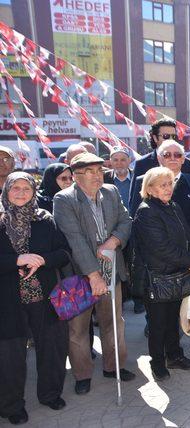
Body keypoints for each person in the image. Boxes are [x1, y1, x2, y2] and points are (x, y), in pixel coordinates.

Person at [53, 153, 135, 395]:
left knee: (114, 323)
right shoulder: (64, 199)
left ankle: (114, 367)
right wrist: (93, 275)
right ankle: (82, 374)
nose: (98, 175)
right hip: (80, 275)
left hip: (112, 268)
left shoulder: (111, 192)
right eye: (90, 171)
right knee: (78, 329)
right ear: (77, 175)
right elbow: (75, 239)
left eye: (100, 170)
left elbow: (126, 221)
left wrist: (114, 240)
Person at [0, 173, 71, 425]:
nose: (20, 192)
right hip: (8, 302)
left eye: (26, 188)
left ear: (34, 191)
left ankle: (50, 393)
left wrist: (42, 260)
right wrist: (17, 260)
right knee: (10, 356)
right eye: (15, 188)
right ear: (6, 190)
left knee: (52, 346)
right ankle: (12, 405)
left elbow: (64, 253)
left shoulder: (45, 220)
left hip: (44, 296)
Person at [133, 167, 190, 380]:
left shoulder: (173, 206)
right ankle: (158, 364)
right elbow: (160, 247)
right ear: (150, 189)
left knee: (172, 321)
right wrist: (189, 260)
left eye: (170, 184)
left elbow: (188, 234)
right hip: (157, 278)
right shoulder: (146, 211)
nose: (168, 188)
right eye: (163, 185)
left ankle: (175, 356)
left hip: (175, 274)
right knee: (158, 324)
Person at [130, 140, 190, 231]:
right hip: (154, 241)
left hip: (189, 243)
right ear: (159, 159)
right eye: (167, 155)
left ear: (183, 159)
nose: (172, 158)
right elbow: (135, 216)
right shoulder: (143, 181)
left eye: (177, 155)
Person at [132, 119, 190, 185]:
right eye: (166, 136)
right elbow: (135, 193)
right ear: (155, 138)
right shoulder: (142, 164)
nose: (170, 139)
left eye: (173, 136)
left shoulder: (186, 163)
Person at [103, 147, 133, 212]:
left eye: (123, 160)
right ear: (111, 161)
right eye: (115, 160)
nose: (119, 163)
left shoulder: (137, 177)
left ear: (129, 160)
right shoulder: (103, 178)